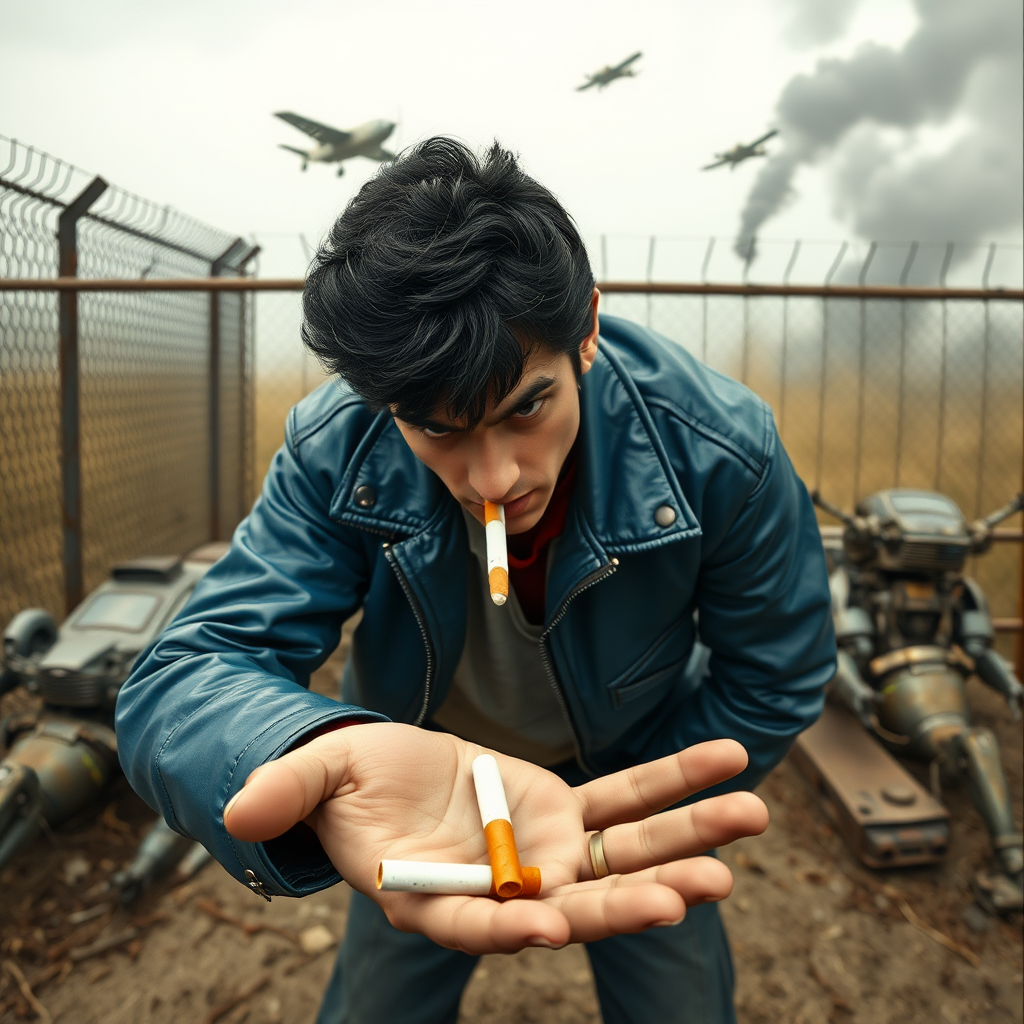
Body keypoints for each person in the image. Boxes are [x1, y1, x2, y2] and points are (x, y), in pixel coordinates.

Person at [115, 137, 836, 1024]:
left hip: (630, 785)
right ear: (388, 406)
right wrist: (315, 754)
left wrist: (623, 814)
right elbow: (189, 675)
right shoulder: (340, 443)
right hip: (419, 791)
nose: (494, 478)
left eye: (525, 407)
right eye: (437, 429)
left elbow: (776, 673)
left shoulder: (721, 449)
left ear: (589, 332)